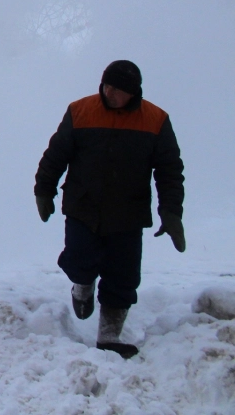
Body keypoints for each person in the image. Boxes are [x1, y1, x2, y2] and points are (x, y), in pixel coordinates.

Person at [34, 60, 185, 359]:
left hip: (128, 213)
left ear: (133, 93)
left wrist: (171, 211)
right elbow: (56, 154)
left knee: (122, 277)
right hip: (83, 206)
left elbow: (169, 170)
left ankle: (108, 337)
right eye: (107, 86)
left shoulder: (155, 119)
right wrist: (44, 189)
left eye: (117, 90)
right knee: (80, 259)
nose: (109, 92)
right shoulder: (80, 111)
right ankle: (82, 287)